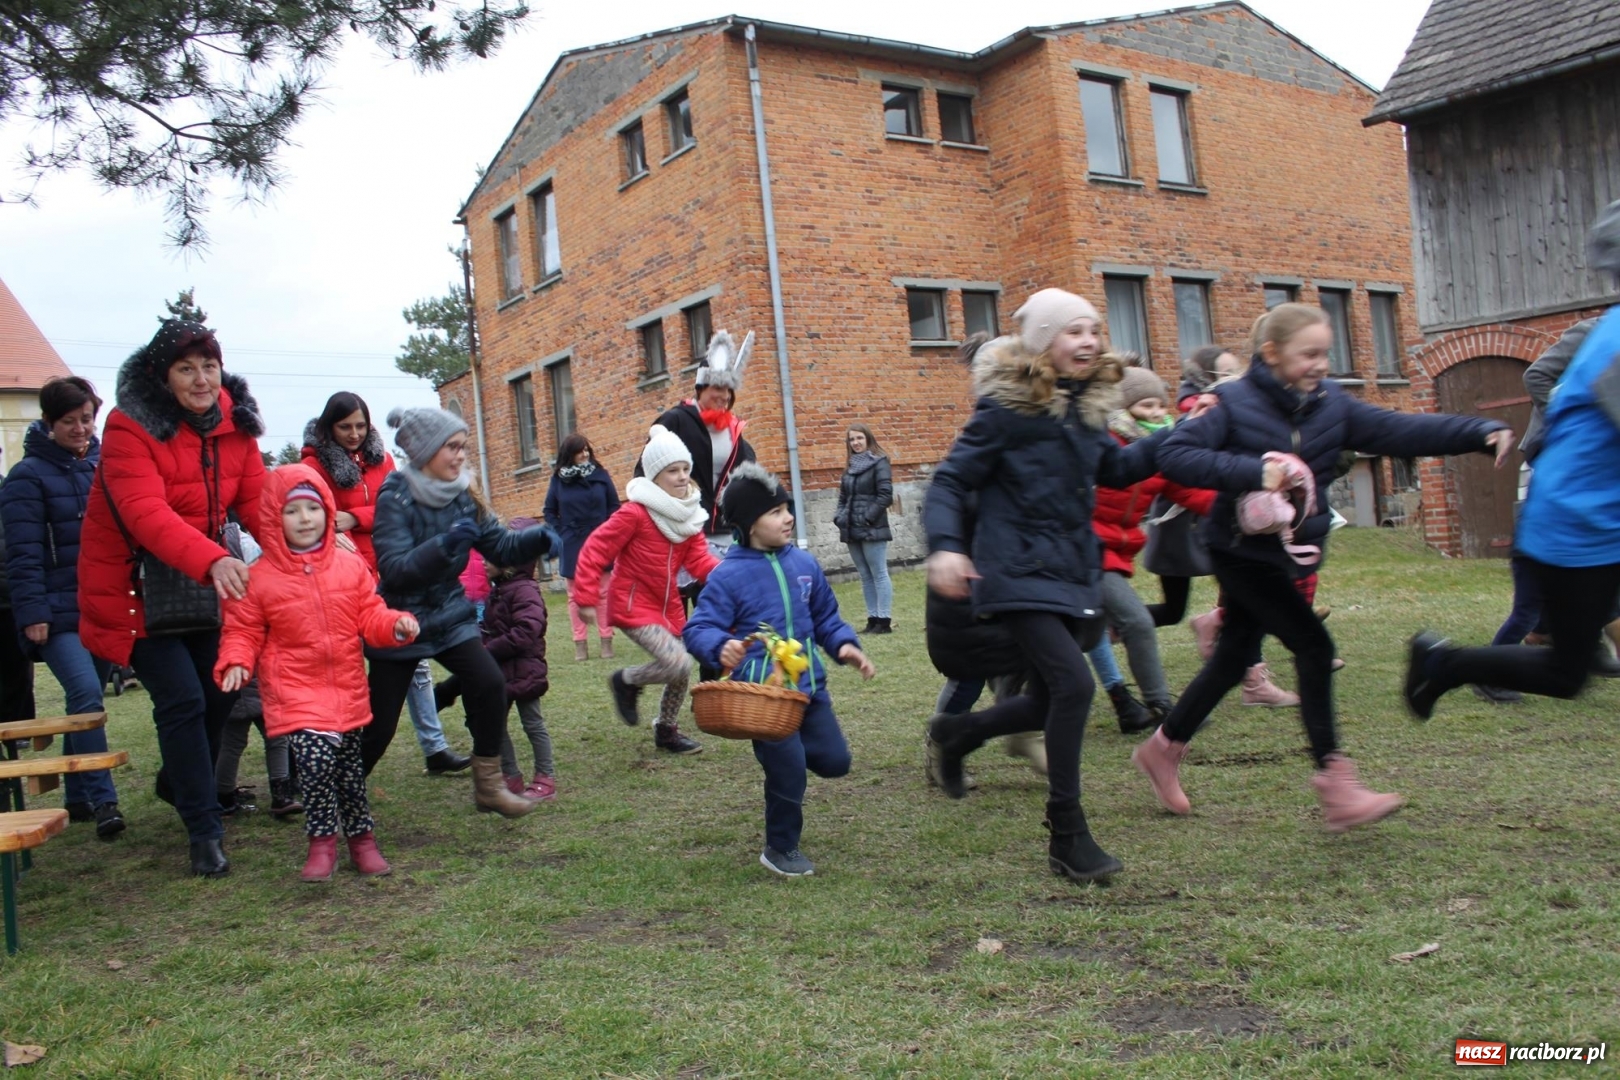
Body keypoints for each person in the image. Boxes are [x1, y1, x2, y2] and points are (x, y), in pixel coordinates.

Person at [1133, 303, 1511, 833]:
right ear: (1272, 353)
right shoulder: (1229, 402)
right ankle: (1337, 785)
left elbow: (1400, 431)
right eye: (1308, 354)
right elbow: (1175, 455)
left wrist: (1478, 432)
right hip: (1240, 551)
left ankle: (1163, 747)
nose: (1319, 364)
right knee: (1314, 646)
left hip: (1285, 552)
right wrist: (1255, 472)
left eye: (1325, 354)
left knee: (1234, 654)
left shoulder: (1332, 404)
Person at [924, 289, 1169, 884]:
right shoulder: (1006, 409)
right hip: (1014, 570)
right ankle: (1067, 833)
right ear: (1042, 343)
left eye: (1093, 330)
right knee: (1074, 685)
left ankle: (960, 731)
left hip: (1071, 568)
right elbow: (951, 482)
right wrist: (947, 547)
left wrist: (1177, 439)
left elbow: (1113, 470)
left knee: (1049, 696)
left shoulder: (1086, 409)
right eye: (1072, 331)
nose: (1087, 341)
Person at [1405, 203, 1620, 720]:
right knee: (1564, 674)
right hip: (1577, 528)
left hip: (1589, 523)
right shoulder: (1613, 342)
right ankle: (1443, 663)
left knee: (1571, 662)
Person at [78, 320, 265, 877]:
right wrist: (213, 559)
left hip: (201, 584)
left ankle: (178, 783)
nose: (201, 378)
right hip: (133, 586)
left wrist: (308, 552)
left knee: (220, 691)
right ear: (163, 376)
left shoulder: (236, 422)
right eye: (186, 368)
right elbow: (145, 514)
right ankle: (204, 829)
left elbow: (255, 501)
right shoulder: (128, 425)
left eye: (208, 366)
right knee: (182, 699)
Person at [216, 466, 419, 881]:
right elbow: (243, 629)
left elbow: (370, 615)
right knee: (314, 760)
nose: (305, 519)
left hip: (346, 689)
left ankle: (362, 841)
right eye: (293, 511)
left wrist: (395, 624)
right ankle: (322, 842)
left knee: (348, 771)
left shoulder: (349, 567)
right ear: (274, 518)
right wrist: (237, 659)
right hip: (295, 690)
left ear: (328, 511)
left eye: (313, 508)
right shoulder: (258, 580)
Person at [685, 463, 875, 876]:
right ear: (749, 525)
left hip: (809, 689)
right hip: (764, 700)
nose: (788, 517)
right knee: (788, 770)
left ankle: (787, 761)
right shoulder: (728, 576)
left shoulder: (804, 564)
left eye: (787, 508)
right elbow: (698, 627)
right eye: (775, 512)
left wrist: (845, 646)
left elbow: (826, 617)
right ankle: (780, 847)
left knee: (835, 762)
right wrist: (721, 646)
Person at [362, 406, 551, 818]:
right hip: (400, 621)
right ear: (426, 450)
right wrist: (445, 546)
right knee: (379, 725)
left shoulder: (463, 496)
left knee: (488, 683)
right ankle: (344, 790)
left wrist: (538, 538)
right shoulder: (396, 494)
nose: (461, 455)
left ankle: (488, 787)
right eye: (452, 447)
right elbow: (394, 569)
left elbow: (500, 547)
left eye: (463, 446)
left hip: (448, 614)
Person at [303, 392, 469, 776]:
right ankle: (325, 759)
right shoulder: (313, 464)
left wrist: (354, 516)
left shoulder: (384, 460)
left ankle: (435, 747)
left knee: (418, 660)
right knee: (350, 670)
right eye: (345, 427)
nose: (354, 433)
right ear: (330, 426)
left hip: (389, 572)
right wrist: (337, 522)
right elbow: (310, 514)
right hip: (341, 576)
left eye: (361, 425)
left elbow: (400, 502)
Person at [0, 376, 124, 836]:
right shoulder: (26, 477)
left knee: (84, 697)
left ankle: (77, 795)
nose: (80, 429)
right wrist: (32, 612)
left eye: (87, 419)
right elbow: (23, 552)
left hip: (99, 602)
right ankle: (104, 798)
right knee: (87, 696)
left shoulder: (102, 465)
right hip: (54, 611)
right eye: (69, 421)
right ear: (49, 423)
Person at [575, 425, 718, 755]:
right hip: (632, 605)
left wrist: (732, 578)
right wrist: (584, 597)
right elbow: (595, 548)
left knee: (680, 670)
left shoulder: (688, 516)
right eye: (672, 471)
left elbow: (699, 561)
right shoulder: (635, 513)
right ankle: (626, 680)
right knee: (678, 662)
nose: (682, 477)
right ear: (655, 476)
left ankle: (666, 732)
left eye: (685, 469)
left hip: (668, 606)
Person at [1090, 366, 1216, 730]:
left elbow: (1188, 490)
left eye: (1161, 405)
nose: (1158, 413)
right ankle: (1162, 705)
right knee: (1138, 621)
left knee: (1081, 633)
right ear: (1124, 408)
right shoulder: (1105, 445)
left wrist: (1240, 504)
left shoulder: (1161, 449)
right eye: (1146, 406)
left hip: (1117, 551)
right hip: (1086, 551)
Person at [436, 522, 556, 801]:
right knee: (496, 725)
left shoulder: (525, 590)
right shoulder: (499, 589)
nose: (484, 562)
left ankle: (545, 778)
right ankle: (510, 777)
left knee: (533, 724)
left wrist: (487, 652)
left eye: (491, 556)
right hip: (500, 672)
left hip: (525, 671)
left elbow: (526, 631)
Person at [647, 330, 757, 556]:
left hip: (726, 528)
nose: (725, 395)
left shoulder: (732, 428)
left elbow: (746, 470)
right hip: (686, 528)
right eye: (717, 387)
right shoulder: (676, 420)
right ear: (700, 388)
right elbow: (646, 470)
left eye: (728, 389)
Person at [544, 433, 621, 663]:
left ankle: (606, 639)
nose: (585, 454)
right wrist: (562, 532)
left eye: (587, 449)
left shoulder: (601, 475)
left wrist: (607, 530)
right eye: (580, 450)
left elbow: (614, 506)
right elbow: (549, 511)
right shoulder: (558, 479)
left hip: (600, 539)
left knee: (603, 592)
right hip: (572, 541)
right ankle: (580, 643)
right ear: (570, 454)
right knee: (574, 595)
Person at [834, 423, 896, 633]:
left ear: (868, 439)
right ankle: (873, 618)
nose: (856, 443)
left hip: (872, 528)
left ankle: (884, 621)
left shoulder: (880, 463)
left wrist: (867, 518)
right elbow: (843, 498)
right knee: (865, 575)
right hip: (851, 528)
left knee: (878, 573)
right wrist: (839, 517)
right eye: (852, 439)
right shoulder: (849, 468)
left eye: (859, 438)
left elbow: (885, 495)